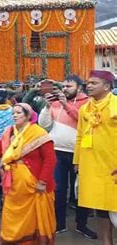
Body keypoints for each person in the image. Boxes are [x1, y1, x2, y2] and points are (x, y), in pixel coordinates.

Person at [0, 103, 57, 244]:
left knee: (33, 218)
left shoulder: (38, 133)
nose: (15, 115)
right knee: (12, 215)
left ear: (28, 115)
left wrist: (42, 181)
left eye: (19, 113)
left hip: (34, 184)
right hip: (13, 183)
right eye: (13, 113)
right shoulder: (10, 132)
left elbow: (50, 159)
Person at [38, 75, 96, 239]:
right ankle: (59, 224)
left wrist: (66, 105)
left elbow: (84, 121)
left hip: (81, 153)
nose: (65, 89)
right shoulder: (56, 103)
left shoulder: (87, 103)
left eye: (69, 86)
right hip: (57, 151)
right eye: (63, 86)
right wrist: (47, 106)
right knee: (59, 189)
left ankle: (81, 224)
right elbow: (44, 124)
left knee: (81, 190)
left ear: (79, 88)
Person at [74, 70, 117, 245]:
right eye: (88, 83)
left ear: (107, 86)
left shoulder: (115, 105)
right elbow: (79, 136)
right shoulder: (85, 108)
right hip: (93, 166)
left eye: (94, 83)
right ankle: (106, 242)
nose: (89, 86)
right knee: (100, 207)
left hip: (113, 165)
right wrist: (77, 162)